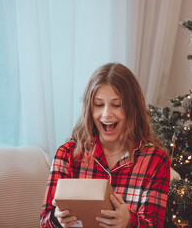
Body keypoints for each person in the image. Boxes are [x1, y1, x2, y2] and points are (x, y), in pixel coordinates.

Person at [40, 62, 170, 228]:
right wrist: (57, 220)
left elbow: (154, 225)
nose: (106, 113)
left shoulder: (155, 160)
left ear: (133, 109)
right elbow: (45, 222)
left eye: (117, 105)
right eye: (99, 104)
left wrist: (129, 222)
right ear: (89, 108)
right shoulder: (67, 154)